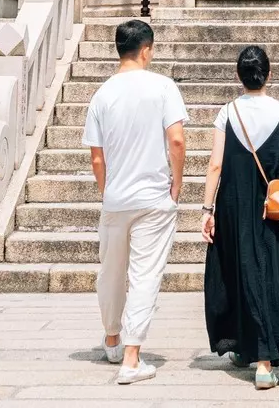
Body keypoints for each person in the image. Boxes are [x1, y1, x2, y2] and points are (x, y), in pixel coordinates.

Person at [83, 19, 189, 386]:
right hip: (154, 197)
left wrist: (106, 189)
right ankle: (132, 357)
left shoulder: (101, 94)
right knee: (145, 275)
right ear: (147, 49)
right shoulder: (163, 87)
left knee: (111, 271)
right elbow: (176, 140)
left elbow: (97, 158)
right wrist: (176, 183)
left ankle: (112, 338)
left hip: (116, 197)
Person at [202, 45, 279, 389]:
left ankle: (252, 351)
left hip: (234, 206)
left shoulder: (227, 112)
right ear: (269, 74)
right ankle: (264, 360)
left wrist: (207, 209)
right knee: (272, 275)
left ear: (239, 76)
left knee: (242, 272)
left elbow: (216, 164)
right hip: (274, 208)